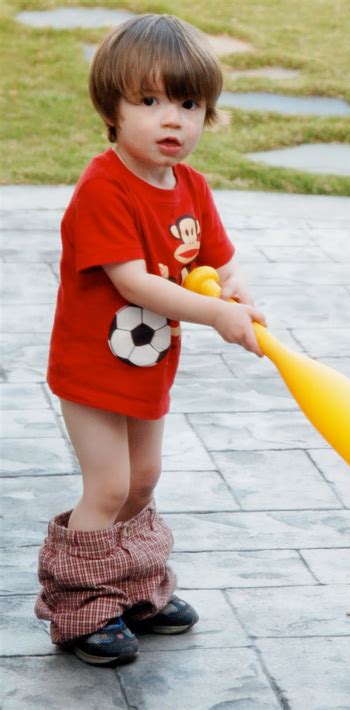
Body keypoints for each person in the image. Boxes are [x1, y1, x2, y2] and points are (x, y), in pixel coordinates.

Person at [34, 13, 266, 668]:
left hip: (146, 364)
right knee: (108, 487)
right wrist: (212, 315)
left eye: (189, 104)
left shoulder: (191, 187)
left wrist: (237, 293)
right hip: (90, 366)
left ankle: (134, 586)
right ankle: (80, 605)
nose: (174, 120)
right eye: (151, 101)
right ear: (111, 108)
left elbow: (220, 262)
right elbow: (134, 284)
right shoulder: (103, 188)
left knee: (143, 479)